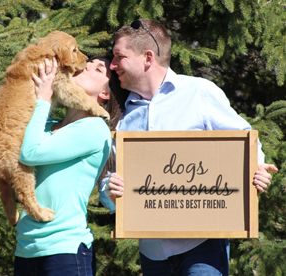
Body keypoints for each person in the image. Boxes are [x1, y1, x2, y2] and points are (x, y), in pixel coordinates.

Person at [98, 19, 278, 276]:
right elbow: (107, 179)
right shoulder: (122, 115)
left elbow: (244, 140)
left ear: (147, 58)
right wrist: (111, 192)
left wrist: (257, 168)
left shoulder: (198, 93)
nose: (112, 65)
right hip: (152, 254)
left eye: (119, 56)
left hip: (203, 248)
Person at [13, 55, 123, 276]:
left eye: (98, 69)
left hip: (65, 251)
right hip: (26, 249)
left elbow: (29, 153)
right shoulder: (46, 125)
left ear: (104, 94)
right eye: (87, 62)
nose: (85, 66)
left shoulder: (94, 128)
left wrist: (43, 98)